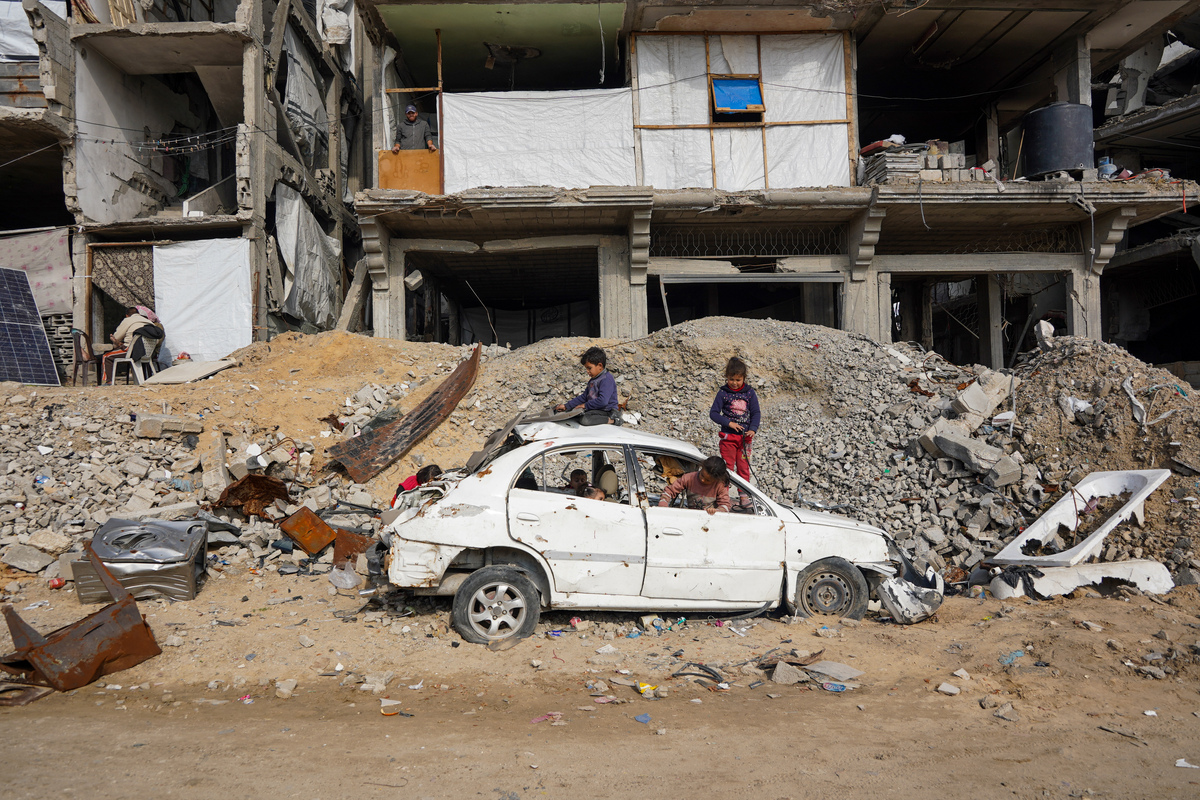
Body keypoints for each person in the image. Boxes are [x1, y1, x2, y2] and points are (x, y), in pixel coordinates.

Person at [710, 356, 760, 509]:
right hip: (728, 438)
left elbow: (756, 413)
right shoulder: (723, 393)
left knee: (744, 468)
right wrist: (728, 423)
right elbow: (714, 413)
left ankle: (744, 497)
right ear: (727, 378)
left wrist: (752, 429)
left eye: (738, 380)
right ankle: (723, 497)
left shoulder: (750, 393)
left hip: (745, 440)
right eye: (731, 379)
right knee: (727, 468)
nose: (735, 382)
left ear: (744, 378)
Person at [554, 346, 620, 426]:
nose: (587, 371)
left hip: (607, 411)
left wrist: (585, 405)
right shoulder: (593, 380)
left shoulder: (606, 379)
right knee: (573, 413)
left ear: (599, 366)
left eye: (589, 368)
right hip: (595, 410)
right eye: (586, 369)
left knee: (585, 419)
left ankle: (613, 420)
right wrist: (567, 406)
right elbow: (584, 397)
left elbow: (603, 401)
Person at [657, 456, 731, 515]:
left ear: (716, 479)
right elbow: (670, 490)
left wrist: (717, 511)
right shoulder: (689, 478)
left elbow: (725, 505)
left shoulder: (719, 485)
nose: (702, 480)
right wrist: (663, 502)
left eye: (708, 480)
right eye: (702, 475)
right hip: (692, 516)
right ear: (702, 467)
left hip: (710, 519)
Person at [102, 306, 155, 384]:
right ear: (138, 313)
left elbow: (117, 336)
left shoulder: (128, 320)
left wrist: (114, 339)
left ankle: (108, 382)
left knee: (106, 356)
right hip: (147, 352)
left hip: (132, 351)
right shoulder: (149, 322)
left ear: (127, 315)